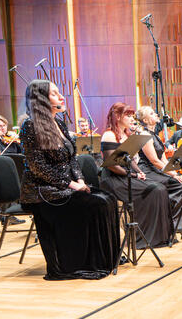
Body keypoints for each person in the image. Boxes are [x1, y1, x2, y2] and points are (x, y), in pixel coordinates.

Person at [18, 80, 119, 280]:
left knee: (108, 198)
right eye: (54, 94)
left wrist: (80, 180)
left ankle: (104, 258)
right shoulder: (30, 126)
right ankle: (81, 262)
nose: (61, 96)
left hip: (67, 184)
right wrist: (71, 184)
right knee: (96, 204)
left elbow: (71, 157)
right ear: (41, 99)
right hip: (43, 191)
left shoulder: (59, 123)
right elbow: (38, 167)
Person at [99, 102, 172, 248]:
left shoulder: (126, 134)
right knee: (155, 190)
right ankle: (142, 237)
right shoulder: (109, 135)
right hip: (114, 179)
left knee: (160, 188)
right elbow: (112, 165)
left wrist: (139, 172)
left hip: (127, 175)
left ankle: (156, 237)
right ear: (118, 116)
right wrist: (133, 175)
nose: (132, 119)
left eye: (132, 116)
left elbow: (130, 160)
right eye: (128, 115)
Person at [133, 106, 182, 236]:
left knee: (180, 182)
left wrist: (174, 172)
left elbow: (163, 158)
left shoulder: (155, 135)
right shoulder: (144, 135)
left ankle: (174, 222)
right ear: (145, 120)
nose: (156, 114)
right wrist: (172, 174)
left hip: (156, 169)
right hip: (147, 170)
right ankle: (171, 223)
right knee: (177, 185)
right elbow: (154, 161)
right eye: (152, 113)